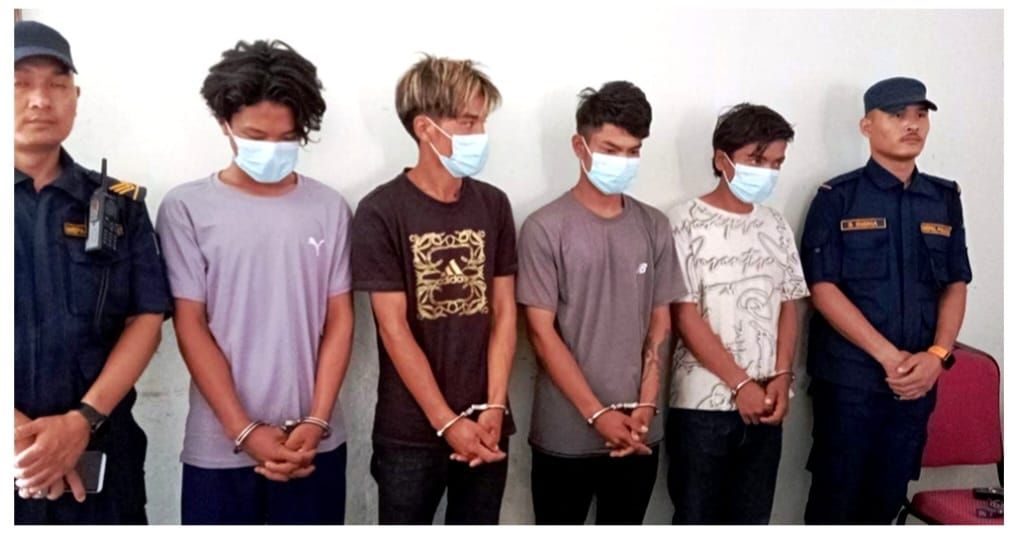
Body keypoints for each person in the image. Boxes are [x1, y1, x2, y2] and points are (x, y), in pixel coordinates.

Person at [155, 39, 354, 524]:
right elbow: (190, 325)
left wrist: (317, 420)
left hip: (315, 444)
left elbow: (339, 319)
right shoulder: (186, 208)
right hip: (219, 448)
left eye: (286, 138)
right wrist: (243, 431)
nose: (271, 149)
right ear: (224, 123)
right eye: (255, 136)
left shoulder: (329, 208)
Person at [14, 20, 172, 524]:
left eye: (57, 84)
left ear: (76, 98)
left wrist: (81, 422)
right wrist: (20, 436)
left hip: (101, 455)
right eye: (19, 83)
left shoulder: (120, 205)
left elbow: (146, 318)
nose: (40, 99)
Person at [351, 54, 516, 524]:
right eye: (468, 122)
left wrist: (495, 407)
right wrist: (447, 422)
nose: (480, 133)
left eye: (482, 121)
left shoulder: (493, 204)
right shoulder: (381, 211)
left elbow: (505, 313)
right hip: (410, 431)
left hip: (488, 424)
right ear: (425, 128)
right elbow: (393, 328)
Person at [800, 77, 971, 524]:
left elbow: (956, 282)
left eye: (920, 115)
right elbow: (822, 287)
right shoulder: (837, 197)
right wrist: (888, 357)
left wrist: (937, 356)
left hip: (918, 381)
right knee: (835, 504)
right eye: (897, 115)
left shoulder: (943, 198)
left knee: (887, 501)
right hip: (851, 381)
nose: (912, 125)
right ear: (866, 126)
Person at [516, 81, 685, 524]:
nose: (623, 162)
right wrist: (598, 415)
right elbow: (540, 333)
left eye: (633, 151)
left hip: (640, 432)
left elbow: (661, 324)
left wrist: (645, 406)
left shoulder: (654, 225)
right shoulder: (544, 227)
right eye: (611, 150)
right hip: (564, 436)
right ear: (580, 146)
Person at [665, 103, 808, 524]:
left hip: (767, 403)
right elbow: (684, 315)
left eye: (776, 163)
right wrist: (739, 383)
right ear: (721, 159)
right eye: (756, 160)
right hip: (702, 405)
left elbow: (789, 303)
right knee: (696, 520)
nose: (767, 172)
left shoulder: (776, 225)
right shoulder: (683, 221)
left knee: (752, 520)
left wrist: (782, 376)